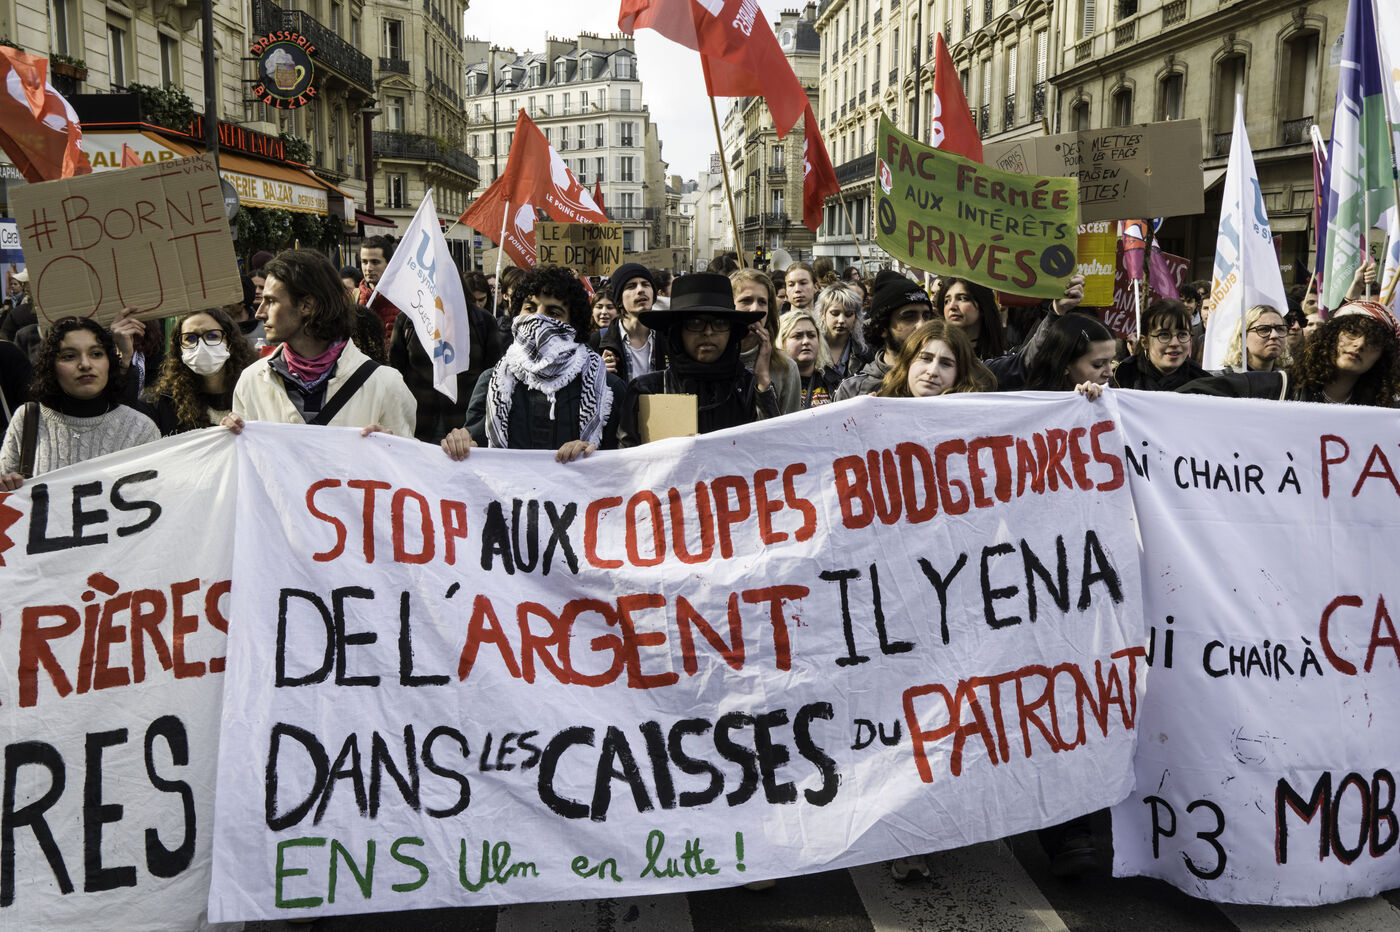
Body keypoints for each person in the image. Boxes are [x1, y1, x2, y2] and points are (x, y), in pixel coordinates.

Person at [222, 249, 415, 436]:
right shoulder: (252, 381)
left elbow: (407, 455)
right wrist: (230, 437)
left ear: (306, 305)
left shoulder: (386, 385)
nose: (260, 313)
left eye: (271, 301)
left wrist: (389, 448)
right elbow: (247, 456)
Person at [445, 266, 627, 462]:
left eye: (553, 312)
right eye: (530, 309)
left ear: (573, 324)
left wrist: (593, 454)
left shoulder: (607, 388)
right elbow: (477, 445)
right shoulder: (491, 382)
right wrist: (461, 441)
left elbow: (624, 460)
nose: (537, 319)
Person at [1, 317, 158, 490]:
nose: (85, 364)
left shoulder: (141, 429)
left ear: (109, 362)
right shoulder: (27, 420)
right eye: (69, 356)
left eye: (96, 354)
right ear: (51, 366)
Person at [619, 272, 777, 444]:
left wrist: (763, 383)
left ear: (732, 333)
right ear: (678, 332)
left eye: (719, 323)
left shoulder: (748, 388)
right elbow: (627, 455)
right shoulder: (647, 390)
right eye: (695, 323)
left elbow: (773, 446)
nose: (708, 332)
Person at [387, 276, 505, 443]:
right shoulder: (408, 319)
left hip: (464, 428)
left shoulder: (482, 321)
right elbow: (396, 371)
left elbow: (493, 376)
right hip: (419, 424)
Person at [149, 307, 259, 435]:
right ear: (179, 349)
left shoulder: (256, 392)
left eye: (212, 336)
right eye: (190, 338)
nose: (201, 345)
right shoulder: (163, 403)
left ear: (231, 344)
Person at [833, 276, 938, 400]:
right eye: (909, 316)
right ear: (883, 327)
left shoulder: (939, 381)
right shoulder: (853, 390)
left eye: (926, 316)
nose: (922, 325)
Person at [1290, 301, 1398, 406]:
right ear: (1332, 335)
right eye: (1352, 332)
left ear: (1382, 356)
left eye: (1373, 341)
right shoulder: (1284, 385)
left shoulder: (1383, 410)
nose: (1359, 344)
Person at [732, 268, 802, 414]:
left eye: (762, 302)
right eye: (746, 300)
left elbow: (789, 425)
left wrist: (763, 382)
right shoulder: (711, 359)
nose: (755, 309)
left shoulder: (786, 368)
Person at [877, 319, 994, 397]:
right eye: (925, 359)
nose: (932, 371)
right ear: (908, 361)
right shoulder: (879, 408)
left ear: (960, 373)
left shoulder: (975, 419)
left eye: (946, 364)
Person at [1113, 299, 1210, 391]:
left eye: (1182, 335)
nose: (1175, 343)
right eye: (1164, 335)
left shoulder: (1206, 386)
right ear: (1145, 342)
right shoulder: (1120, 380)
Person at [598, 262, 667, 382]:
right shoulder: (598, 341)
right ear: (619, 300)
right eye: (631, 286)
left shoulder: (669, 338)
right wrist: (598, 372)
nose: (641, 290)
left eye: (645, 284)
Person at [1024, 314, 1117, 395]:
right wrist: (1075, 402)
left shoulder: (1113, 397)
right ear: (1064, 364)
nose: (1110, 373)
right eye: (1098, 364)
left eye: (1111, 362)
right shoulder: (1033, 403)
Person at [778, 308, 840, 408]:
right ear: (781, 341)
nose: (806, 341)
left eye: (811, 335)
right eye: (797, 336)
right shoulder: (773, 383)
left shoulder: (833, 380)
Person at [933, 277, 1008, 359]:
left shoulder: (1003, 361)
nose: (952, 306)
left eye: (962, 299)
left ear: (982, 305)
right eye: (947, 301)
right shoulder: (933, 352)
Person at [816, 283, 872, 379]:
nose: (841, 320)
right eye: (835, 313)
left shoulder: (864, 353)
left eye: (848, 314)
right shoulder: (812, 349)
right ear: (822, 314)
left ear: (856, 317)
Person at [1219, 305, 1291, 373]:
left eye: (1280, 329)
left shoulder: (1290, 379)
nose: (1275, 335)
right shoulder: (1222, 380)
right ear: (1243, 338)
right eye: (1264, 329)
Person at [357, 235, 398, 343]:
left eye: (375, 262)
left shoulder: (404, 301)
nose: (368, 268)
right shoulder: (353, 298)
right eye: (364, 262)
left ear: (389, 264)